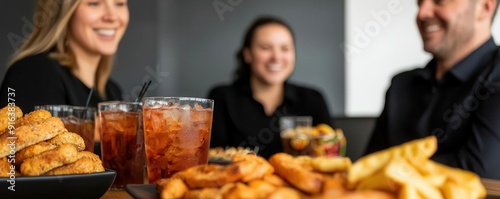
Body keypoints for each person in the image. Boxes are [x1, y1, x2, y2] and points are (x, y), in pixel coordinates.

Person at [365, 0, 500, 179]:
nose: (422, 13)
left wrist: (386, 170)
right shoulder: (401, 85)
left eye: (439, 1)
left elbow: (481, 175)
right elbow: (365, 168)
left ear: (484, 7)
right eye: (419, 2)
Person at [208, 16, 333, 159]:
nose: (276, 57)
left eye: (285, 48)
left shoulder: (313, 99)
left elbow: (329, 154)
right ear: (248, 54)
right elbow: (212, 159)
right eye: (265, 48)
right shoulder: (222, 97)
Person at [0, 0, 129, 113]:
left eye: (120, 3)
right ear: (62, 12)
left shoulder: (112, 91)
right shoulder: (34, 74)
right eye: (94, 3)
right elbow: (16, 139)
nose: (112, 16)